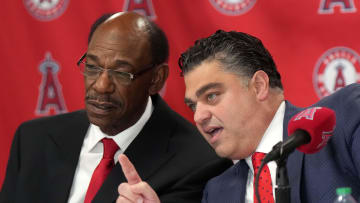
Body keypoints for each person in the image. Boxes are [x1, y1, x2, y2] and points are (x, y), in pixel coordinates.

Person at [0, 13, 232, 203]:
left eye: (121, 73)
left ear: (156, 80)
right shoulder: (33, 140)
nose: (101, 86)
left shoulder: (200, 162)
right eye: (92, 67)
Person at [115, 30, 360, 203]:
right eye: (192, 106)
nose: (199, 116)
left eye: (211, 96)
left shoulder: (341, 119)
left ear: (259, 86)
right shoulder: (217, 192)